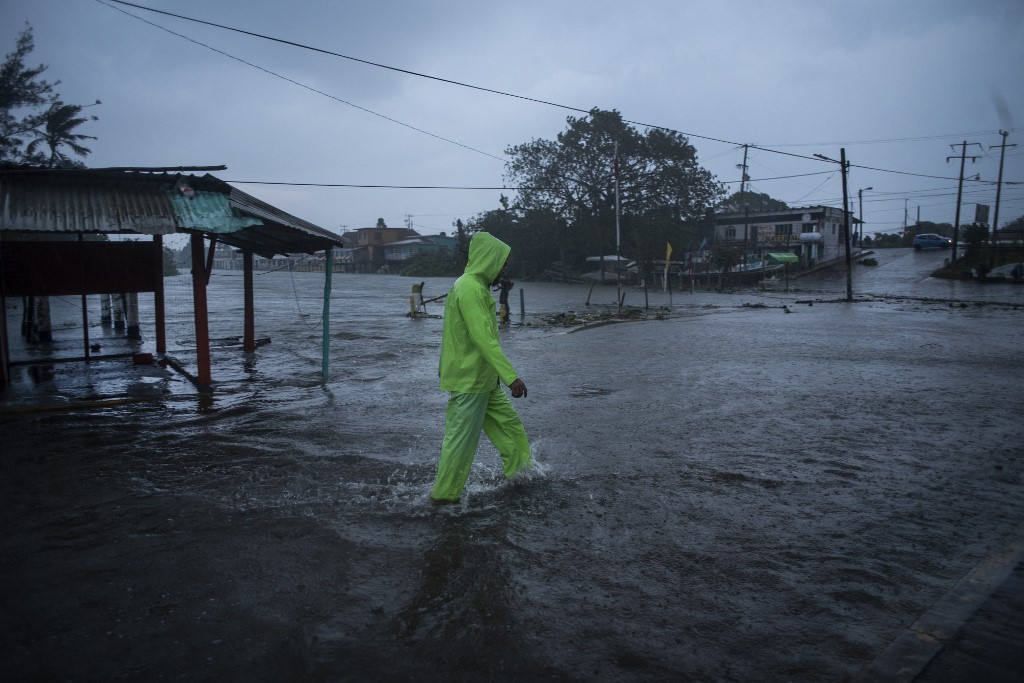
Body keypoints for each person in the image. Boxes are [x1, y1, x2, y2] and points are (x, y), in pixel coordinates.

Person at [430, 232, 532, 504]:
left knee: (512, 430)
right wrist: (511, 377)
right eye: (503, 263)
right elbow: (482, 339)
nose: (505, 269)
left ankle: (522, 476)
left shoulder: (476, 287)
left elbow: (454, 334)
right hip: (470, 383)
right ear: (490, 260)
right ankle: (442, 499)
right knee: (460, 446)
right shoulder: (470, 288)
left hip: (485, 382)